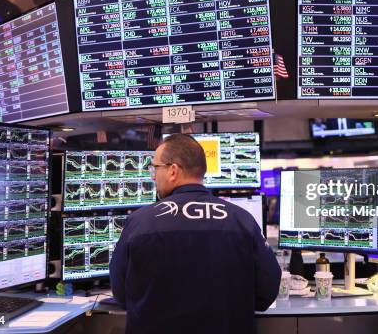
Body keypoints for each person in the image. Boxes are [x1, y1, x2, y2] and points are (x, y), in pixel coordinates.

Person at [110, 133, 281, 334]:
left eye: (155, 168)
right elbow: (267, 291)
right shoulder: (242, 220)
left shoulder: (139, 222)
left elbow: (121, 295)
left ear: (173, 170)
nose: (153, 175)